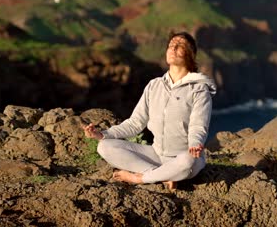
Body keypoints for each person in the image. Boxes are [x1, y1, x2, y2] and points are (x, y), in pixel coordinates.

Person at [82, 30, 216, 189]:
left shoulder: (199, 90)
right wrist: (102, 134)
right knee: (104, 146)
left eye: (179, 46)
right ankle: (163, 175)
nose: (173, 48)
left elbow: (198, 126)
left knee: (188, 161)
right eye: (171, 45)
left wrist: (195, 143)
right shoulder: (154, 86)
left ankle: (141, 178)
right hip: (156, 154)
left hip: (184, 156)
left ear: (191, 55)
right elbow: (135, 123)